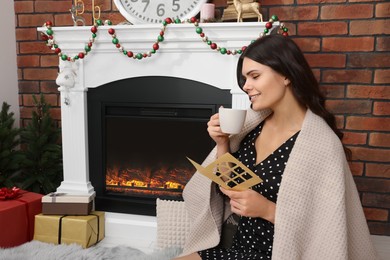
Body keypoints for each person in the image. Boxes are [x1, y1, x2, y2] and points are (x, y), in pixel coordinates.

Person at [175, 34, 378, 259]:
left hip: (282, 252)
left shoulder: (321, 144)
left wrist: (267, 209)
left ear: (286, 75)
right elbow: (231, 185)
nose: (246, 86)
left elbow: (328, 228)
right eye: (244, 79)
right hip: (240, 243)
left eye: (254, 76)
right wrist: (222, 143)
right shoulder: (253, 127)